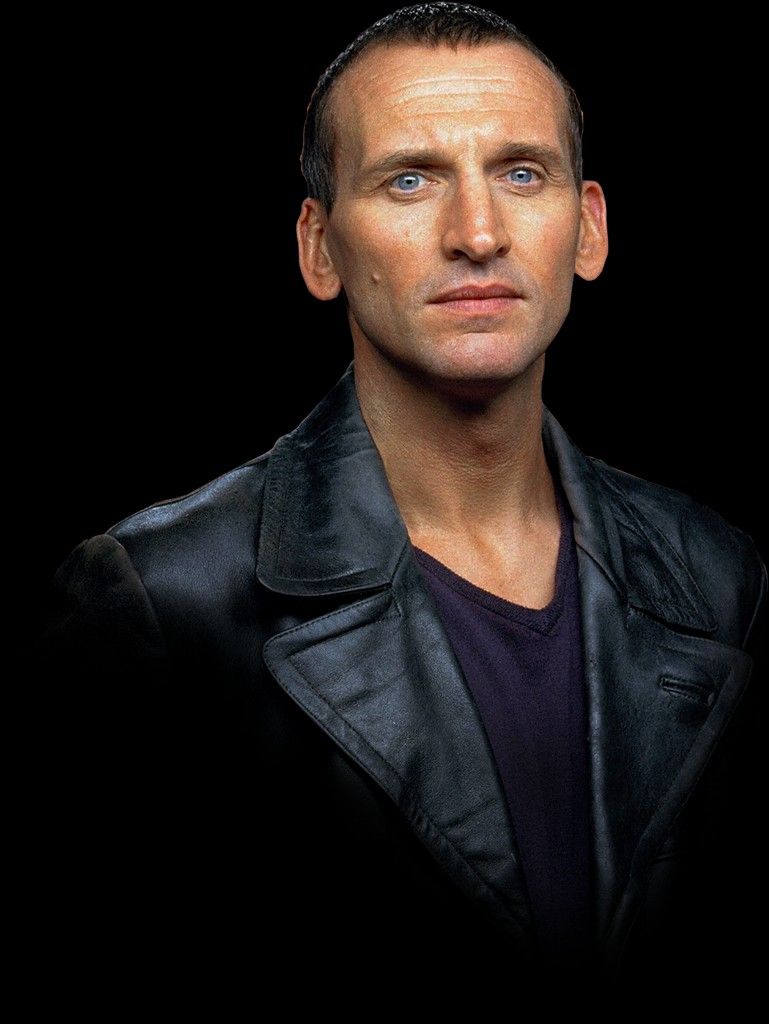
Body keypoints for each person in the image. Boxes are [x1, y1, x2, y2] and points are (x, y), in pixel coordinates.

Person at [36, 2, 766, 992]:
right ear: (319, 248)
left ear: (588, 229)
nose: (477, 233)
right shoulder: (165, 598)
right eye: (410, 179)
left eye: (520, 173)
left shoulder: (710, 571)